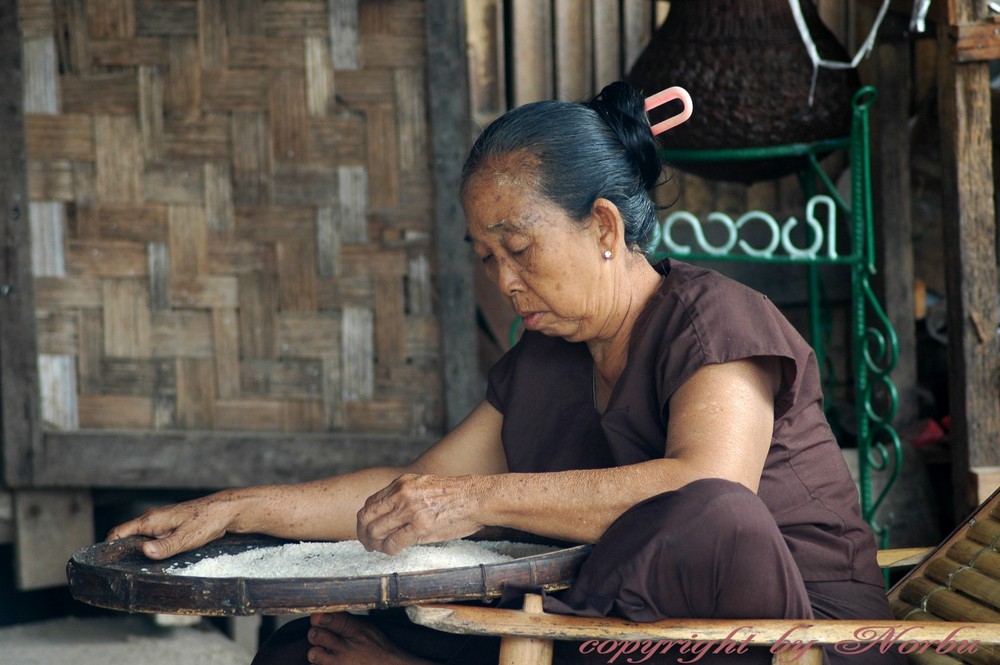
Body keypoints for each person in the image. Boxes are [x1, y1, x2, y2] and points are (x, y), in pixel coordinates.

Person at [109, 81, 901, 665]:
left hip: (785, 633)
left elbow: (708, 488)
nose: (504, 281)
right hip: (609, 628)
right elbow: (415, 489)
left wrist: (473, 502)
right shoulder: (547, 357)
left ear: (603, 225)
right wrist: (237, 508)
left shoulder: (714, 318)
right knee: (299, 654)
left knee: (710, 516)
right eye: (487, 258)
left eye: (519, 249)